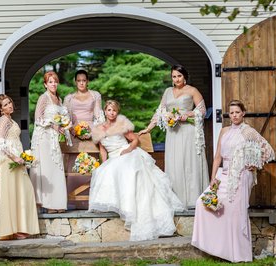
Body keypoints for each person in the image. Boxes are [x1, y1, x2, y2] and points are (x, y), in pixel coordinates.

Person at [191, 99, 275, 262]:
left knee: (235, 214)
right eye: (232, 113)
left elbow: (268, 151)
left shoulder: (248, 132)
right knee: (203, 203)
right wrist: (213, 178)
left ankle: (238, 254)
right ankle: (217, 248)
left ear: (243, 113)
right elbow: (217, 157)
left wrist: (254, 165)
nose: (235, 115)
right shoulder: (224, 131)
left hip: (241, 175)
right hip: (224, 173)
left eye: (237, 112)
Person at [88, 100, 184, 241]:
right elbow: (102, 149)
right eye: (109, 110)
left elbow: (135, 140)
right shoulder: (99, 129)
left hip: (126, 153)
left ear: (117, 112)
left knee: (130, 170)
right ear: (105, 111)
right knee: (105, 172)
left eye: (114, 110)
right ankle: (121, 206)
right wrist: (104, 163)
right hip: (113, 158)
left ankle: (136, 210)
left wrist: (128, 149)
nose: (112, 113)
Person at [139, 64, 209, 210]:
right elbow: (160, 111)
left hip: (188, 131)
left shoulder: (192, 90)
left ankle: (192, 199)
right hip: (173, 132)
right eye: (174, 76)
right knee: (174, 163)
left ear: (185, 76)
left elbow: (202, 111)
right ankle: (176, 200)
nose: (176, 79)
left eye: (179, 76)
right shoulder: (167, 91)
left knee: (188, 162)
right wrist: (149, 128)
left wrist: (186, 115)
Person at [0, 94, 39, 240]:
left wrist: (22, 157)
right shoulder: (2, 120)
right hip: (9, 162)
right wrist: (14, 157)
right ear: (0, 109)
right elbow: (0, 143)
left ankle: (20, 228)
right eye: (5, 105)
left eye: (9, 102)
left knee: (23, 191)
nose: (9, 105)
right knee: (12, 193)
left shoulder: (10, 119)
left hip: (17, 162)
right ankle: (11, 229)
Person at [29, 71, 70, 214]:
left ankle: (57, 203)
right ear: (45, 84)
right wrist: (54, 125)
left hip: (54, 138)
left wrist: (65, 126)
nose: (53, 84)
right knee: (47, 168)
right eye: (50, 82)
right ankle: (48, 204)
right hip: (44, 137)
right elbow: (38, 119)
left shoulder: (59, 98)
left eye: (55, 81)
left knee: (56, 168)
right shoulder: (43, 98)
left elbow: (63, 117)